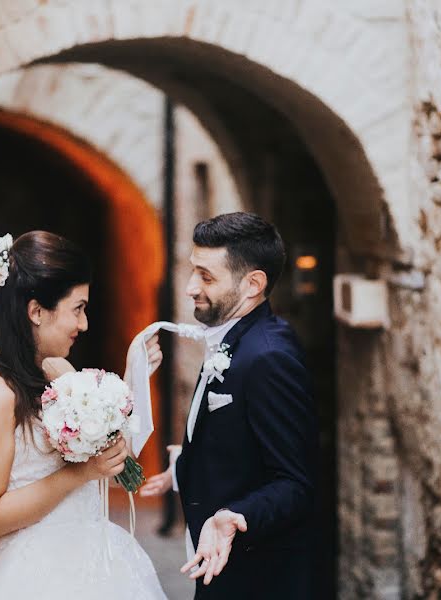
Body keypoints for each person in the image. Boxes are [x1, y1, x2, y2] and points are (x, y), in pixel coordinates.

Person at [0, 230, 167, 599]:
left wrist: (130, 385)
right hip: (34, 577)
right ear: (36, 311)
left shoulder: (60, 372)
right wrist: (81, 473)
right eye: (78, 308)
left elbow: (123, 473)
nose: (84, 324)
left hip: (100, 564)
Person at [142, 213, 317, 599]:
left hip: (258, 578)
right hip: (221, 568)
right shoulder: (235, 339)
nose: (189, 288)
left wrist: (236, 516)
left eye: (206, 277)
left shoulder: (269, 358)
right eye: (193, 272)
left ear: (253, 284)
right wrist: (190, 459)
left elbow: (295, 482)